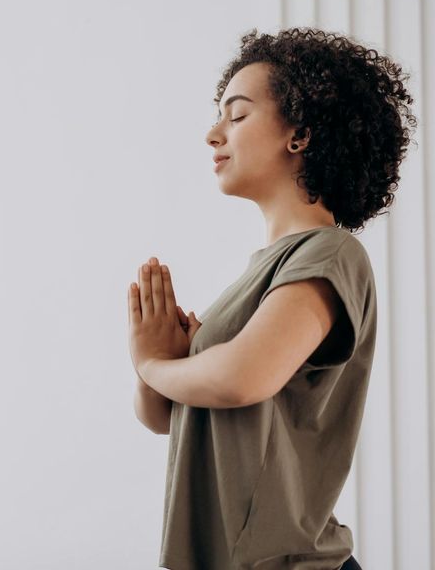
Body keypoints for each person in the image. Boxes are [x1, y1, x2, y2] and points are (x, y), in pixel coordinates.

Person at [128, 28, 416, 569]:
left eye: (236, 116)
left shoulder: (329, 255)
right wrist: (157, 364)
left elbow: (239, 380)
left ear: (299, 135)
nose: (214, 134)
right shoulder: (258, 278)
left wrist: (153, 362)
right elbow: (163, 417)